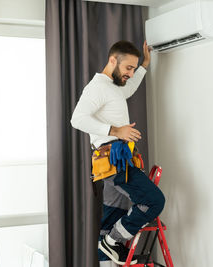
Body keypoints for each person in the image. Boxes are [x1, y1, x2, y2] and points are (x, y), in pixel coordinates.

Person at [71, 40, 165, 266]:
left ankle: (107, 245)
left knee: (113, 214)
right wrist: (116, 130)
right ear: (113, 60)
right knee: (153, 201)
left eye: (133, 69)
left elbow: (130, 89)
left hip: (117, 160)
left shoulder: (113, 87)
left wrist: (145, 64)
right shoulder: (97, 87)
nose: (130, 74)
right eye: (128, 68)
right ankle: (112, 242)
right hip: (114, 160)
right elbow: (77, 119)